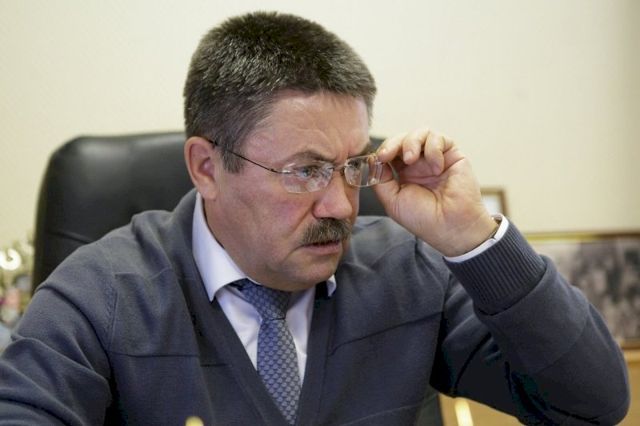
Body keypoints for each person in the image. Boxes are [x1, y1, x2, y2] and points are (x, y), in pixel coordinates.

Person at [0, 11, 630, 425]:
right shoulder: (104, 294)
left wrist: (474, 239)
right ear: (207, 167)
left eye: (352, 166)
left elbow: (592, 403)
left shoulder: (405, 272)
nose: (341, 206)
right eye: (305, 171)